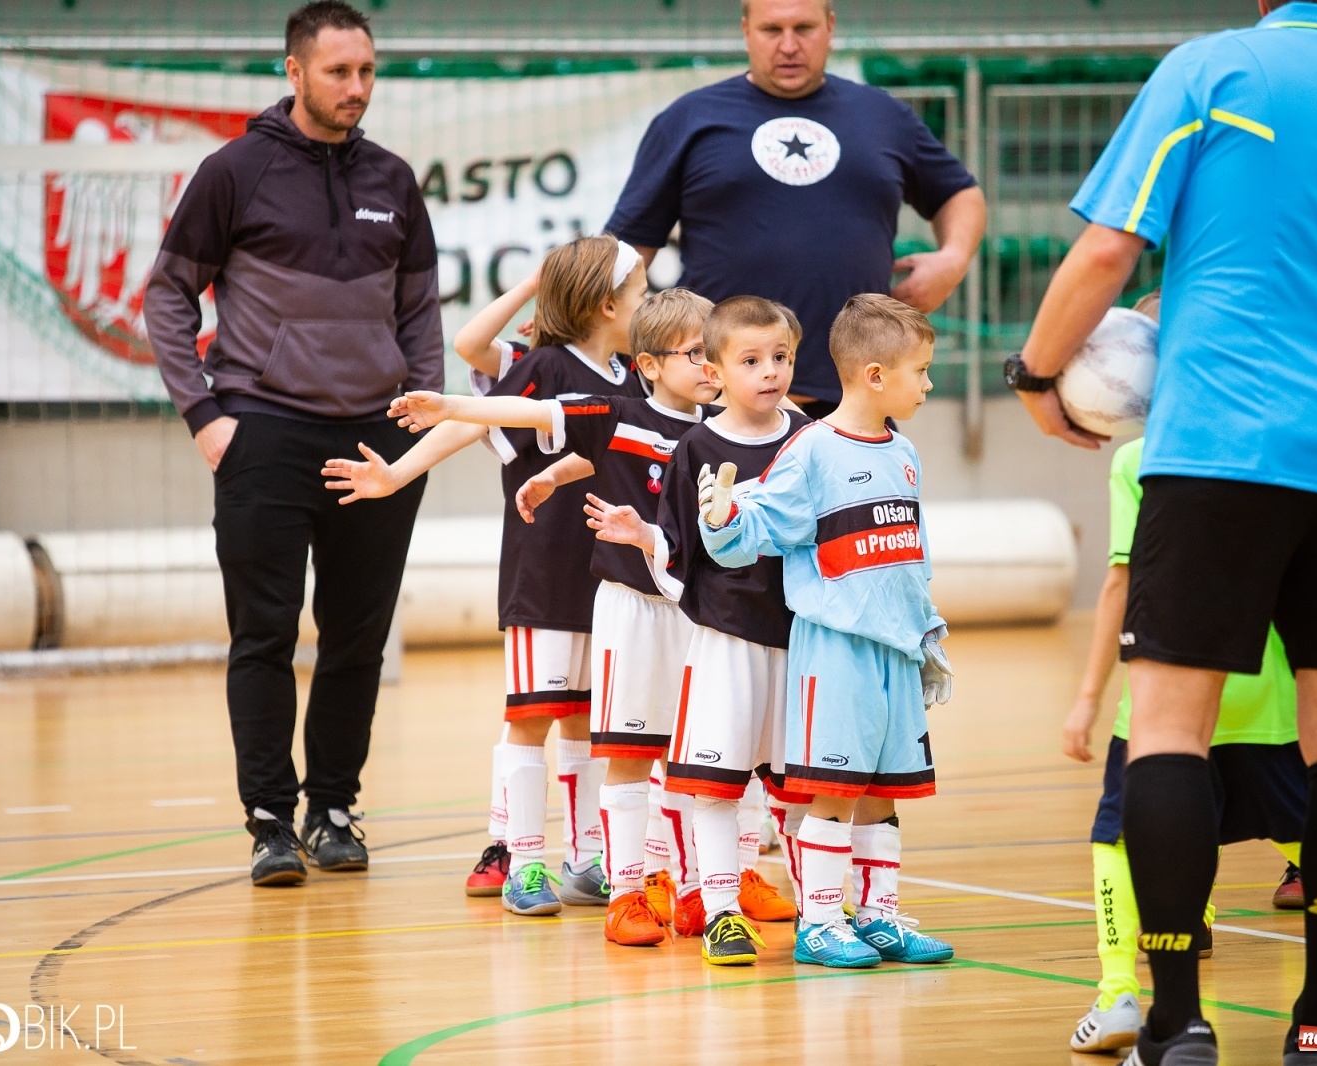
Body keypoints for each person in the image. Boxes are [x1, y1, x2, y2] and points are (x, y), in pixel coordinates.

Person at [1006, 2, 1317, 1063]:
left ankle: (1178, 1023)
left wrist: (1034, 373)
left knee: (1169, 733)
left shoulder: (1210, 70)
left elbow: (1108, 250)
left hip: (1214, 453)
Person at [144, 0, 441, 887]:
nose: (357, 87)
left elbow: (419, 311)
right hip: (263, 432)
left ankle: (334, 809)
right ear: (295, 71)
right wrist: (206, 418)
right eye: (339, 71)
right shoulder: (233, 172)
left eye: (367, 71)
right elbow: (167, 296)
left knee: (358, 638)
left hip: (376, 441)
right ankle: (271, 821)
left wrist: (417, 418)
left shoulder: (394, 180)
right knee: (264, 635)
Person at [387, 287, 741, 949]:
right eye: (697, 352)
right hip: (591, 592)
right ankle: (537, 863)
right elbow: (537, 413)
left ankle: (666, 878)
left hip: (683, 606)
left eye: (714, 353)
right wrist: (453, 406)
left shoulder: (710, 425)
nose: (711, 365)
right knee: (575, 733)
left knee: (668, 750)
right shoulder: (586, 388)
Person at [1066, 430, 1317, 1054]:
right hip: (1271, 703)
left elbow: (1121, 583)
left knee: (1119, 840)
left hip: (1172, 697)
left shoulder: (1142, 457)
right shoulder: (1303, 443)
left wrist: (1087, 697)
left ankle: (1121, 995)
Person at [323, 234, 648, 916]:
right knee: (531, 718)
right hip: (544, 573)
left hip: (608, 578)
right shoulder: (546, 365)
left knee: (586, 721)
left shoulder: (632, 380)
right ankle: (521, 863)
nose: (648, 301)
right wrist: (397, 474)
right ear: (606, 303)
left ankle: (586, 857)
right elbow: (469, 418)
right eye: (641, 290)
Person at [699, 293, 957, 969]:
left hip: (896, 652)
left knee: (883, 792)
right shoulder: (810, 449)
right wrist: (722, 518)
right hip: (835, 652)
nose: (928, 384)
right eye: (920, 371)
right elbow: (755, 531)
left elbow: (910, 555)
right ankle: (818, 922)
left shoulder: (904, 451)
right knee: (836, 791)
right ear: (875, 375)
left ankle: (878, 917)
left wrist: (926, 630)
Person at [604, 0, 984, 417]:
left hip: (858, 401)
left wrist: (953, 259)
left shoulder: (883, 116)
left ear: (830, 27)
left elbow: (960, 194)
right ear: (746, 31)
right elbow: (625, 253)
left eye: (803, 28)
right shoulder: (689, 119)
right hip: (717, 402)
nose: (788, 46)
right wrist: (593, 344)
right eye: (772, 30)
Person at [587, 295, 814, 965]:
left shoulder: (807, 437)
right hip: (680, 617)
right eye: (751, 359)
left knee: (770, 777)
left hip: (776, 630)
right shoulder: (681, 441)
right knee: (669, 762)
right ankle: (640, 893)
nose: (769, 371)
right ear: (714, 368)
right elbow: (538, 422)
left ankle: (784, 902)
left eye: (780, 357)